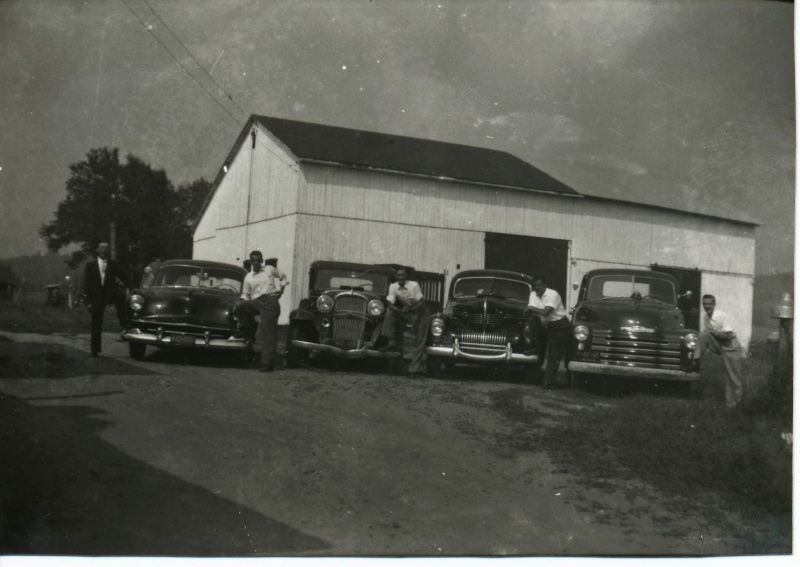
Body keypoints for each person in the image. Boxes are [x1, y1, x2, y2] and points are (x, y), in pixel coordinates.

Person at [233, 250, 289, 372]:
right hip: (256, 302)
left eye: (259, 260)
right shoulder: (248, 277)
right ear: (251, 262)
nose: (256, 262)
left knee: (268, 333)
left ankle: (267, 364)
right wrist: (241, 301)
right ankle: (245, 330)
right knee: (240, 305)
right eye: (254, 260)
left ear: (262, 261)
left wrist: (281, 290)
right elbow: (245, 294)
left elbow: (283, 277)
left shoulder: (269, 269)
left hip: (270, 301)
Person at [82, 242, 131, 357]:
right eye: (102, 248)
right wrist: (87, 302)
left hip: (110, 294)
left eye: (106, 249)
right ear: (98, 250)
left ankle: (124, 323)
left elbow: (125, 275)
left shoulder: (113, 265)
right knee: (96, 322)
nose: (104, 250)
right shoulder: (90, 266)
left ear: (109, 252)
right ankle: (94, 350)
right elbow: (86, 285)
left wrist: (132, 287)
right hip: (96, 297)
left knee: (120, 296)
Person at [696, 294, 745, 408]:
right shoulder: (705, 317)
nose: (706, 306)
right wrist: (710, 335)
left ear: (714, 304)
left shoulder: (722, 316)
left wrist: (713, 333)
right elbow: (709, 335)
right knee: (703, 334)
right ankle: (694, 360)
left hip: (731, 347)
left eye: (709, 304)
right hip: (719, 345)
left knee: (732, 377)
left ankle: (735, 404)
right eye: (704, 303)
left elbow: (727, 336)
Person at [379, 267, 430, 376]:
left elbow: (421, 302)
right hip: (407, 310)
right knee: (389, 313)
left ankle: (413, 369)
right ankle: (391, 341)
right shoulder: (393, 286)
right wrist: (396, 309)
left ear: (406, 276)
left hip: (420, 312)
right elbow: (390, 303)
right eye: (399, 275)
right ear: (396, 276)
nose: (401, 277)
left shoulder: (414, 285)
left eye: (403, 275)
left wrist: (410, 309)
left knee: (419, 341)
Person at [525, 275, 570, 390]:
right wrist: (538, 315)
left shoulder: (553, 294)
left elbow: (545, 311)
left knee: (554, 355)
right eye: (535, 286)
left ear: (545, 285)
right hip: (547, 324)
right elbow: (533, 312)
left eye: (540, 285)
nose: (537, 288)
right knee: (532, 322)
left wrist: (531, 309)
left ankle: (548, 384)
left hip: (560, 325)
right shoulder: (533, 294)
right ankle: (534, 346)